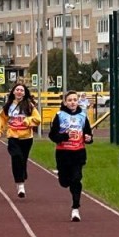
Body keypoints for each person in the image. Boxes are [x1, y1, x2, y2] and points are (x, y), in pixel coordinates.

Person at [48, 90, 93, 221]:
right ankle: (63, 177)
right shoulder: (59, 115)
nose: (73, 102)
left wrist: (89, 138)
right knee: (64, 182)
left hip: (78, 153)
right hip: (63, 153)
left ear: (78, 101)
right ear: (65, 102)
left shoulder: (83, 116)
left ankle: (75, 208)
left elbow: (88, 134)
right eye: (70, 100)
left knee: (76, 179)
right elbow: (52, 135)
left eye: (75, 100)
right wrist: (64, 136)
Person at [0, 82, 41, 198]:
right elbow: (2, 119)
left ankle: (22, 175)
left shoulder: (29, 105)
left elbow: (38, 119)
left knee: (23, 160)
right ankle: (20, 185)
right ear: (13, 92)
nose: (19, 92)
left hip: (26, 137)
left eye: (22, 90)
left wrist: (28, 121)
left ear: (24, 93)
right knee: (16, 157)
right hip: (12, 136)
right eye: (17, 90)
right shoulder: (8, 105)